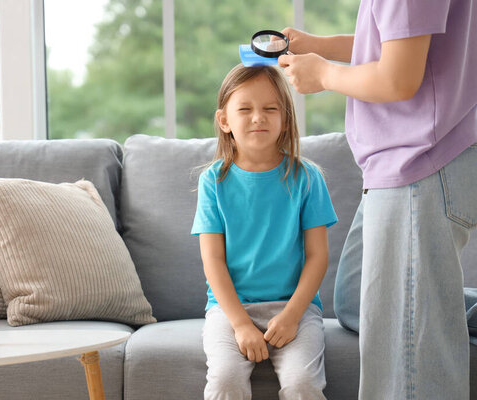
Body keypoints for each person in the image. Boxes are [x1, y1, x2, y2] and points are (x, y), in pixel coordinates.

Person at [277, 1, 477, 399]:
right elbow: (402, 45)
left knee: (408, 365)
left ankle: (432, 306)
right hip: (407, 161)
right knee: (355, 299)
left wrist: (324, 74)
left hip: (417, 161)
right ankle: (436, 305)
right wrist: (322, 47)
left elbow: (398, 78)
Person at [191, 64, 338, 400]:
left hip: (295, 308)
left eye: (270, 109)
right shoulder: (212, 182)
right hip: (229, 311)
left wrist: (291, 316)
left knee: (303, 384)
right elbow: (212, 260)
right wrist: (241, 325)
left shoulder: (308, 177)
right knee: (225, 381)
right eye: (245, 109)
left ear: (285, 119)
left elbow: (318, 257)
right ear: (224, 120)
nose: (258, 117)